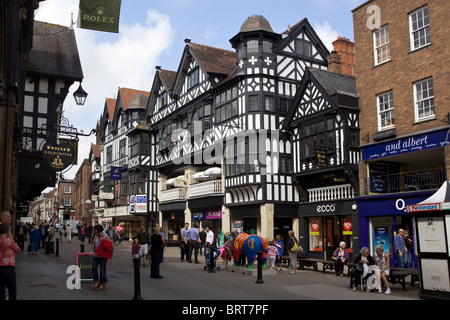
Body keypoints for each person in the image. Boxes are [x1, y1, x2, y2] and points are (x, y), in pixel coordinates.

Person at [0, 224, 20, 300]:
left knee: (1, 289)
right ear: (7, 231)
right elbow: (17, 249)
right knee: (12, 288)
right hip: (8, 266)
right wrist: (11, 239)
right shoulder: (8, 241)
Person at [91, 226, 112, 291]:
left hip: (103, 255)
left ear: (98, 229)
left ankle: (103, 283)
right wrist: (93, 244)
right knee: (94, 268)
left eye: (95, 229)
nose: (94, 230)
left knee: (102, 270)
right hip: (96, 255)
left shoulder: (105, 235)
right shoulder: (95, 235)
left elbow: (110, 243)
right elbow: (93, 244)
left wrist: (102, 240)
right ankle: (97, 281)